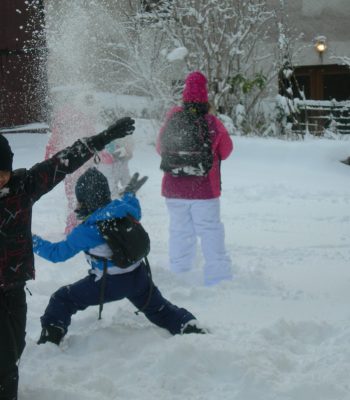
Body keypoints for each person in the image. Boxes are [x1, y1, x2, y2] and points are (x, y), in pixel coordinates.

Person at [0, 117, 135, 400]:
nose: (0, 177)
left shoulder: (22, 187)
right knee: (4, 360)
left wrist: (101, 139)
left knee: (15, 348)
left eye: (3, 171)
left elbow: (62, 163)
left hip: (15, 283)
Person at [32, 167, 206, 346]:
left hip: (108, 284)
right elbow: (132, 203)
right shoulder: (127, 210)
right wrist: (130, 192)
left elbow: (57, 254)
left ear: (85, 201)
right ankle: (188, 325)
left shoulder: (88, 229)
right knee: (161, 309)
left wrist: (31, 241)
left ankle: (51, 337)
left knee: (62, 299)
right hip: (139, 278)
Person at [156, 71, 233, 286]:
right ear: (205, 98)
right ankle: (218, 276)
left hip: (173, 189)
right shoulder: (212, 123)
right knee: (210, 231)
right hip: (204, 190)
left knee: (179, 231)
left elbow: (160, 148)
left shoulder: (173, 119)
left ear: (184, 96)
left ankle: (180, 272)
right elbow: (226, 150)